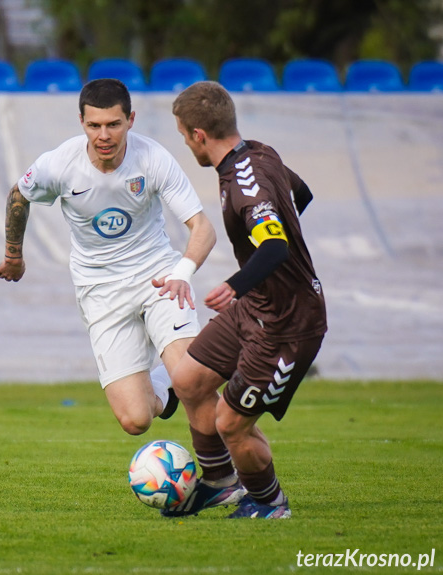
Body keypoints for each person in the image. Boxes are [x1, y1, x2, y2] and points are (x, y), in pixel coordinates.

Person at [0, 79, 216, 437]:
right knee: (136, 420)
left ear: (131, 119)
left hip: (158, 278)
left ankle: (225, 477)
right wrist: (13, 256)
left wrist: (183, 273)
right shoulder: (60, 163)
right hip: (100, 289)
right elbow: (20, 193)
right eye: (94, 125)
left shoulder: (154, 158)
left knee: (194, 381)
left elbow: (203, 227)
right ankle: (167, 383)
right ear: (81, 122)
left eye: (113, 124)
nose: (104, 135)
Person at [166, 81, 327, 518]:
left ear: (199, 135)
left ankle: (270, 503)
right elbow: (302, 194)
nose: (186, 144)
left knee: (231, 424)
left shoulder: (244, 187)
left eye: (183, 136)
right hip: (256, 308)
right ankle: (219, 483)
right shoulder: (260, 153)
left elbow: (275, 248)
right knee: (188, 380)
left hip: (287, 323)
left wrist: (236, 284)